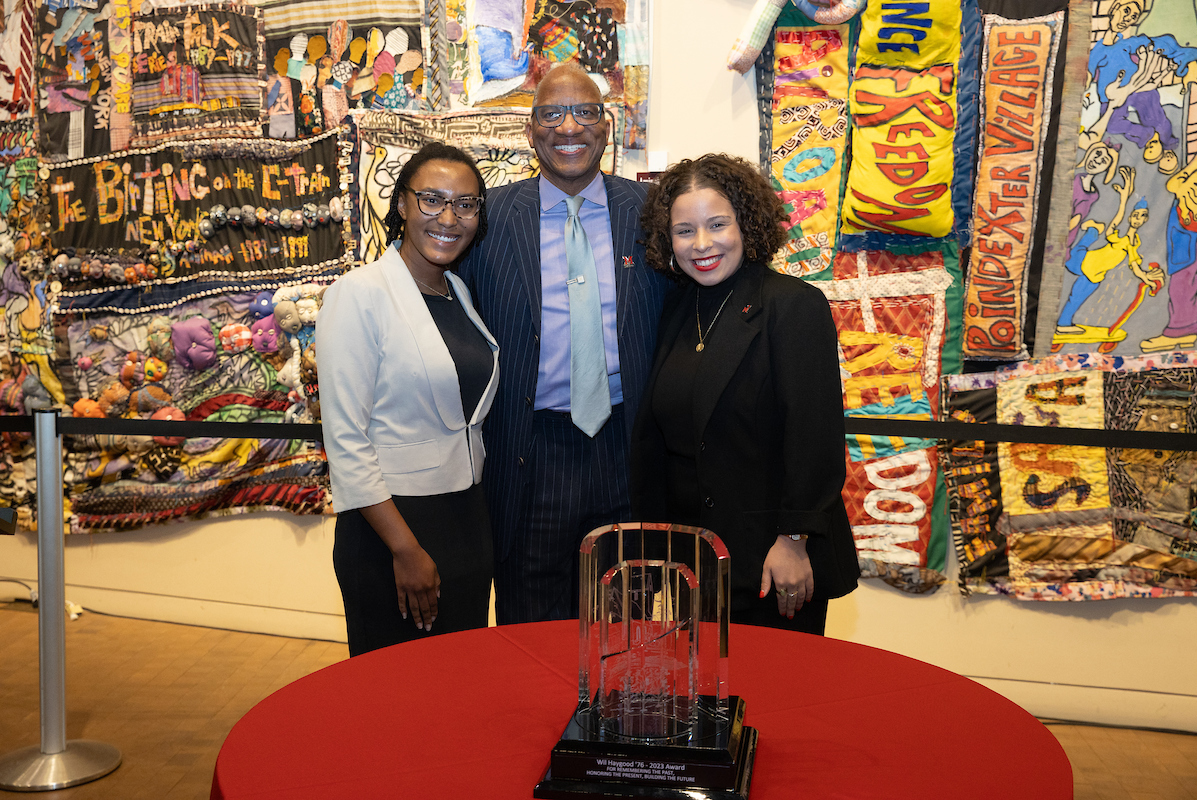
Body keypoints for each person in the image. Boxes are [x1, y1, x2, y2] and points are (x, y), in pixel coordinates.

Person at [459, 62, 670, 624]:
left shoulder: (651, 214)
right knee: (531, 626)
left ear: (607, 127)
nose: (569, 127)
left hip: (626, 449)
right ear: (529, 132)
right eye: (551, 114)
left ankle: (619, 717)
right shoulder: (488, 219)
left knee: (627, 624)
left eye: (584, 112)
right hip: (530, 453)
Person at [630, 153, 858, 634]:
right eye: (685, 230)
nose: (702, 244)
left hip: (773, 560)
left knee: (776, 704)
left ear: (747, 225)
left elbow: (814, 436)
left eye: (718, 224)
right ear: (667, 239)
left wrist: (793, 540)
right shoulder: (674, 308)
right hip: (697, 561)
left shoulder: (793, 305)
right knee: (709, 701)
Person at [317, 143, 499, 656]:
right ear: (401, 205)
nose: (449, 217)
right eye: (432, 200)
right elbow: (346, 439)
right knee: (395, 701)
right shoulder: (360, 294)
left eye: (465, 204)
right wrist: (405, 548)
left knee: (458, 687)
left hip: (464, 520)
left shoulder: (458, 293)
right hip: (392, 530)